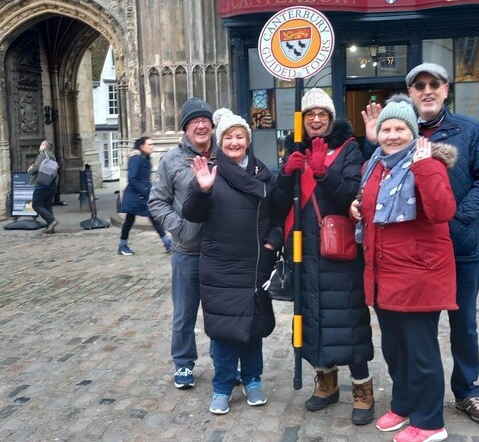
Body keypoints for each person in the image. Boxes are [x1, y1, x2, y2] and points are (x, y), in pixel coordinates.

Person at [361, 63, 479, 425]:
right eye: (419, 85)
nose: (427, 90)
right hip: (414, 257)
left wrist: (459, 216)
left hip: (460, 246)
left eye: (434, 84)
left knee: (463, 324)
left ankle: (466, 392)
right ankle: (412, 398)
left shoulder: (468, 130)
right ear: (410, 93)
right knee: (413, 335)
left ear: (445, 90)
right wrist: (371, 140)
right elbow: (378, 184)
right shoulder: (398, 132)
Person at [351, 94, 458, 442]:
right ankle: (404, 403)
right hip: (383, 273)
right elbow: (372, 205)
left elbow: (442, 210)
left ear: (413, 132)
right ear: (378, 133)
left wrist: (425, 167)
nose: (392, 135)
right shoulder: (375, 166)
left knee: (421, 351)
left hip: (418, 274)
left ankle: (429, 423)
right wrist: (357, 207)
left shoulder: (428, 162)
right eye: (387, 128)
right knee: (394, 348)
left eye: (400, 128)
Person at [271, 88, 375, 425]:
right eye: (310, 114)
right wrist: (287, 174)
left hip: (339, 248)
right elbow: (277, 205)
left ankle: (362, 388)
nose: (316, 119)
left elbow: (352, 193)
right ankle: (326, 383)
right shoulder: (293, 149)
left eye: (323, 114)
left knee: (348, 319)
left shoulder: (349, 149)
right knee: (313, 315)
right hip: (304, 250)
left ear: (331, 119)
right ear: (303, 119)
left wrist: (322, 173)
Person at [182, 110, 282, 415]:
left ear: (247, 141)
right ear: (220, 142)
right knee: (224, 331)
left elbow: (277, 218)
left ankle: (253, 381)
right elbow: (192, 214)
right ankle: (223, 387)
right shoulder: (209, 173)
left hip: (253, 267)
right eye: (228, 137)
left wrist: (271, 244)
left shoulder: (263, 175)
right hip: (220, 268)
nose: (234, 142)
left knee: (252, 330)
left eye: (240, 136)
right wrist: (203, 190)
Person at [148, 97, 218, 390]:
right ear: (186, 129)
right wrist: (180, 229)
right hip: (187, 252)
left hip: (219, 251)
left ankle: (224, 362)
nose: (200, 125)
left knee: (220, 313)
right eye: (193, 122)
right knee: (184, 314)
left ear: (212, 127)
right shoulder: (171, 160)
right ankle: (183, 364)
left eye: (205, 121)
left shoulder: (225, 154)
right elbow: (156, 201)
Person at [117, 137, 172, 256]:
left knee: (153, 217)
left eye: (152, 144)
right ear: (142, 146)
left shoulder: (146, 158)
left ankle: (167, 243)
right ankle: (122, 245)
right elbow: (132, 178)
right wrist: (145, 192)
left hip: (143, 195)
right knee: (130, 220)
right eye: (149, 144)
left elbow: (145, 178)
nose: (152, 146)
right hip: (135, 195)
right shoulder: (136, 159)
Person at [28, 140, 59, 234]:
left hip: (42, 184)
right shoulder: (52, 156)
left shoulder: (43, 154)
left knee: (36, 204)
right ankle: (50, 227)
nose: (40, 146)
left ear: (45, 146)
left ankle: (51, 221)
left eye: (41, 144)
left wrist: (30, 170)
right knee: (47, 205)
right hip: (51, 184)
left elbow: (36, 168)